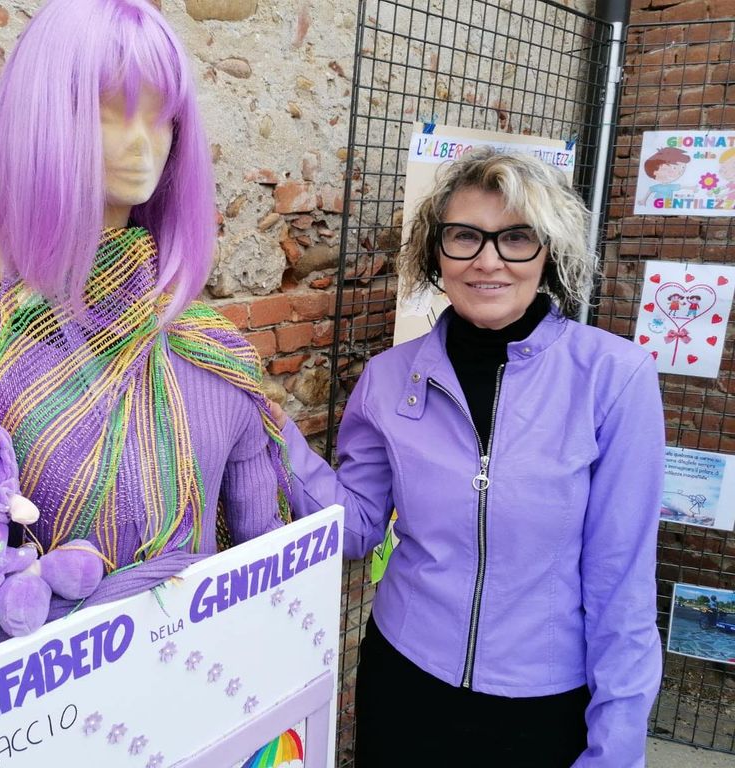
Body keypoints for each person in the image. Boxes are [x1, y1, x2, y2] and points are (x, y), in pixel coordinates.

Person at [0, 0, 291, 662]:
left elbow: (267, 558)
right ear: (39, 127)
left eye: (161, 114)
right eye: (108, 111)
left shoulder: (215, 351)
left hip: (205, 686)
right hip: (54, 707)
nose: (143, 142)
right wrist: (96, 614)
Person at [273, 147, 664, 766]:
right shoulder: (388, 378)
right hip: (404, 681)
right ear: (436, 253)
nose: (488, 260)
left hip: (542, 705)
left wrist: (616, 748)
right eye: (464, 237)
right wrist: (273, 431)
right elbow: (357, 526)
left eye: (517, 238)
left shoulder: (614, 379)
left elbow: (623, 583)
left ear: (549, 253)